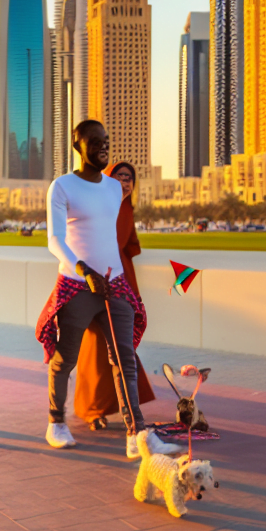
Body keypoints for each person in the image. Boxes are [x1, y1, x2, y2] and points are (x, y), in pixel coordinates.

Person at [36, 120, 180, 458]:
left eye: (107, 141)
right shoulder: (62, 187)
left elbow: (107, 236)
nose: (104, 146)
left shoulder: (114, 189)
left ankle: (137, 435)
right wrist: (84, 271)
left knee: (124, 359)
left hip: (114, 285)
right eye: (96, 141)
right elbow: (55, 239)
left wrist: (114, 276)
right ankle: (55, 423)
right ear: (78, 146)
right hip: (77, 285)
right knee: (65, 359)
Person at [74, 162, 156, 430]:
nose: (125, 181)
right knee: (96, 343)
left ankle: (125, 410)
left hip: (121, 284)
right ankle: (91, 409)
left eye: (130, 178)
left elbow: (130, 247)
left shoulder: (127, 209)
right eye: (119, 176)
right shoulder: (99, 209)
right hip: (97, 282)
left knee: (121, 346)